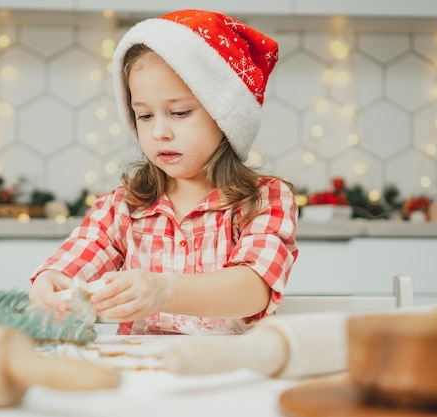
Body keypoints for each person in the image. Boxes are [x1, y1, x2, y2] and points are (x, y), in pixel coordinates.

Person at [29, 9, 298, 335]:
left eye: (179, 112)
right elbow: (78, 258)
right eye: (144, 116)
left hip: (230, 371)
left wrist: (163, 291)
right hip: (141, 373)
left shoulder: (264, 200)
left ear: (225, 117)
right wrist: (50, 281)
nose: (160, 132)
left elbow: (254, 288)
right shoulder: (121, 207)